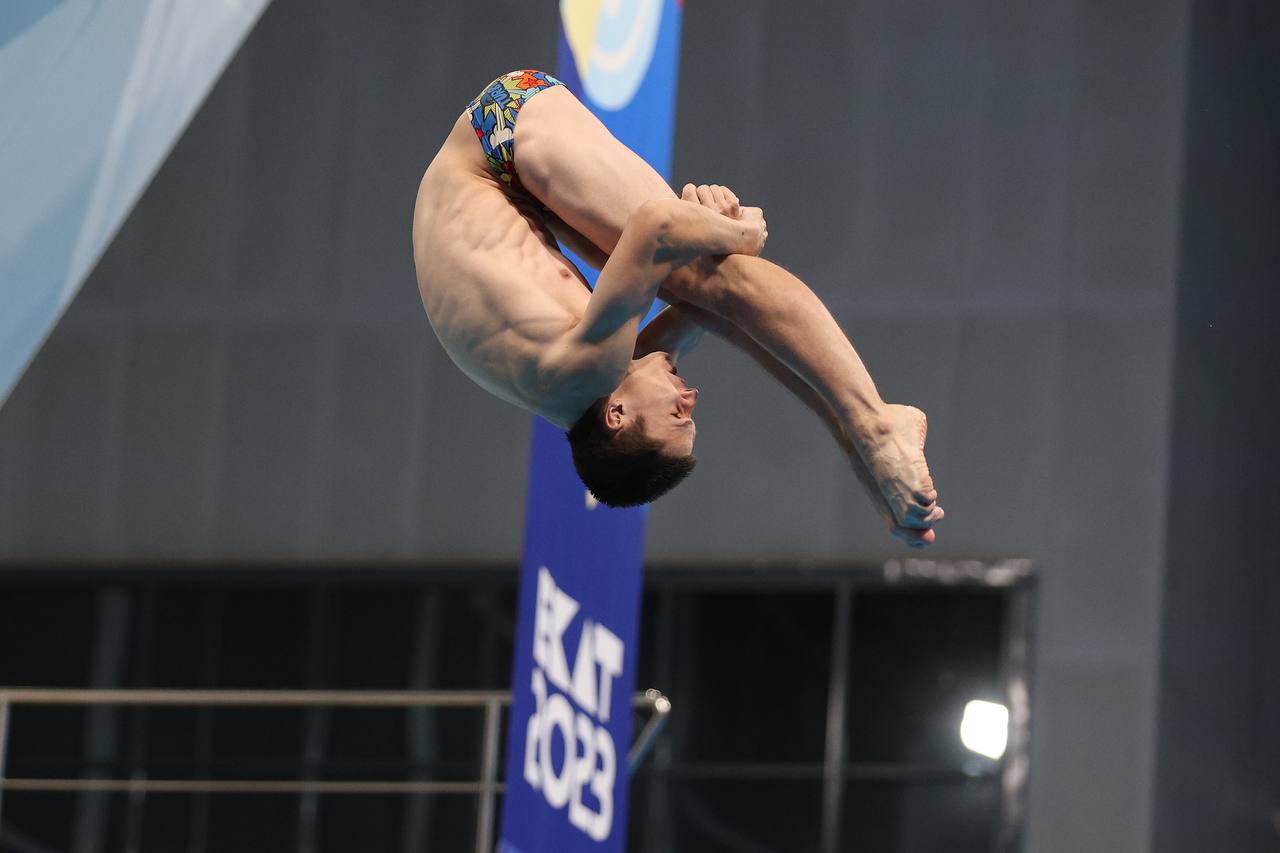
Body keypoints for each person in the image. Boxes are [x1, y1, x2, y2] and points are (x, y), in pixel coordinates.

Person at [412, 70, 944, 547]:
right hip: (502, 160)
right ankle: (858, 437)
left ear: (617, 417)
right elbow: (719, 317)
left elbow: (656, 226)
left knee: (715, 276)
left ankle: (874, 426)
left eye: (677, 413)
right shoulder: (573, 391)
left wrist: (738, 232)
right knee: (708, 289)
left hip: (502, 134)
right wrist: (843, 437)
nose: (691, 396)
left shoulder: (585, 371)